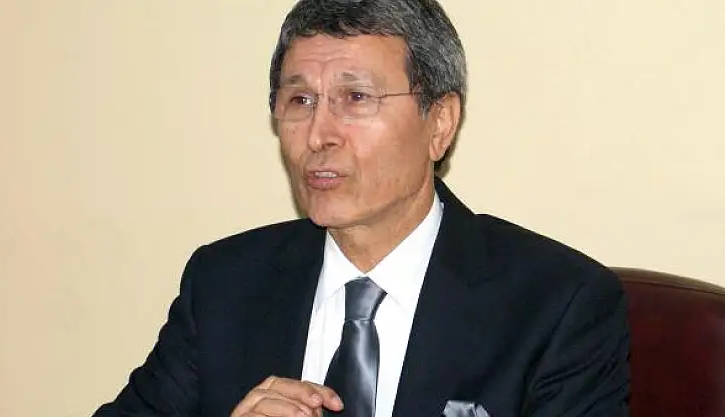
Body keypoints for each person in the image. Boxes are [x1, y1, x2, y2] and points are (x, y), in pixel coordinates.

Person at [93, 0, 629, 416]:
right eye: (300, 100)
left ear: (440, 123)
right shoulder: (224, 285)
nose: (319, 135)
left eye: (356, 98)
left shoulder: (556, 306)